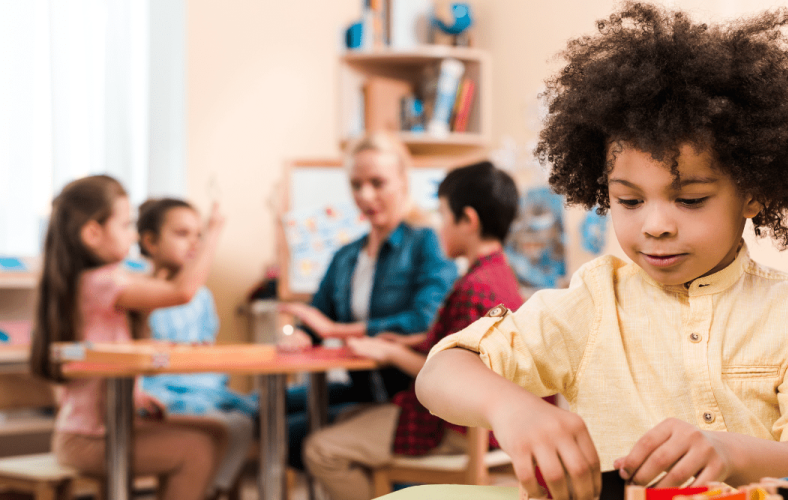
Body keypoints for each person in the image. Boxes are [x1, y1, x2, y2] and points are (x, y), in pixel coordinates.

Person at [416, 4, 788, 500]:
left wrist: (731, 455)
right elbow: (440, 370)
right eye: (628, 200)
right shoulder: (592, 302)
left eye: (690, 199)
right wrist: (511, 408)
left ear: (754, 191)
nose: (654, 226)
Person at [303, 161, 524, 500]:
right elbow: (459, 345)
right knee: (346, 416)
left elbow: (456, 377)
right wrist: (409, 341)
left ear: (468, 221)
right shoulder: (498, 277)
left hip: (456, 429)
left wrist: (393, 352)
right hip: (485, 426)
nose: (438, 228)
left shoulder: (474, 289)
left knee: (321, 449)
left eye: (442, 215)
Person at [30, 175, 228, 500]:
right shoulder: (103, 282)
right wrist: (214, 233)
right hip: (89, 439)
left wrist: (135, 392)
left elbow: (105, 348)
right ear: (92, 233)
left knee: (216, 432)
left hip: (100, 428)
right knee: (197, 449)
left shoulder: (89, 281)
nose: (134, 235)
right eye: (125, 225)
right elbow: (182, 292)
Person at [279, 132, 458, 469]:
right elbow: (317, 316)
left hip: (407, 394)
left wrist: (341, 329)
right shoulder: (346, 255)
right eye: (356, 184)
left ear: (403, 182)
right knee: (266, 410)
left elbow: (425, 320)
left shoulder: (426, 242)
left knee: (292, 435)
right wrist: (303, 334)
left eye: (378, 183)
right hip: (363, 388)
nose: (365, 195)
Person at [136, 198, 256, 499]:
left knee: (242, 421)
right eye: (182, 234)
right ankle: (199, 487)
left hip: (202, 387)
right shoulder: (139, 292)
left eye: (198, 235)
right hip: (160, 392)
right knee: (223, 426)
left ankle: (209, 489)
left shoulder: (202, 297)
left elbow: (207, 346)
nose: (194, 243)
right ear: (150, 242)